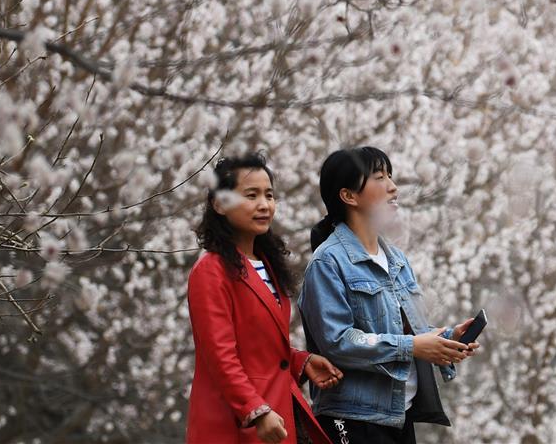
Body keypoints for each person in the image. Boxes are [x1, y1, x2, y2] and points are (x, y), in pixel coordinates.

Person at [299, 146, 481, 444]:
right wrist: (413, 346)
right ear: (349, 196)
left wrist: (447, 339)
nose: (393, 187)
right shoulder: (327, 262)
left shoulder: (395, 259)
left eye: (391, 176)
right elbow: (338, 341)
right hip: (354, 419)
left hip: (399, 415)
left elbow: (408, 332)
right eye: (379, 177)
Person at [187, 152, 343, 444]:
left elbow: (259, 347)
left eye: (269, 195)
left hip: (278, 410)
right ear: (219, 204)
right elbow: (220, 356)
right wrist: (255, 411)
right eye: (251, 195)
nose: (264, 205)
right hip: (236, 423)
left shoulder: (266, 264)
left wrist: (300, 361)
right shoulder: (210, 270)